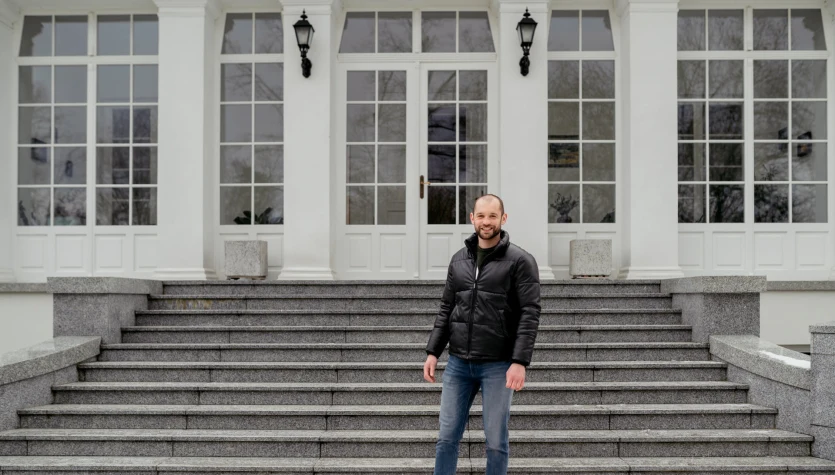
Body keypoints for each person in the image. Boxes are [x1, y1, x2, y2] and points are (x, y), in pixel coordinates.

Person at [424, 194, 541, 475]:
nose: (486, 222)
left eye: (492, 216)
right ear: (472, 218)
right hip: (458, 364)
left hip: (498, 365)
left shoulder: (521, 261)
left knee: (496, 442)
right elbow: (447, 308)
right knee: (446, 438)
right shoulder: (458, 260)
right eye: (481, 216)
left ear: (503, 218)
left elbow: (530, 312)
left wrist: (519, 361)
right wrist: (433, 352)